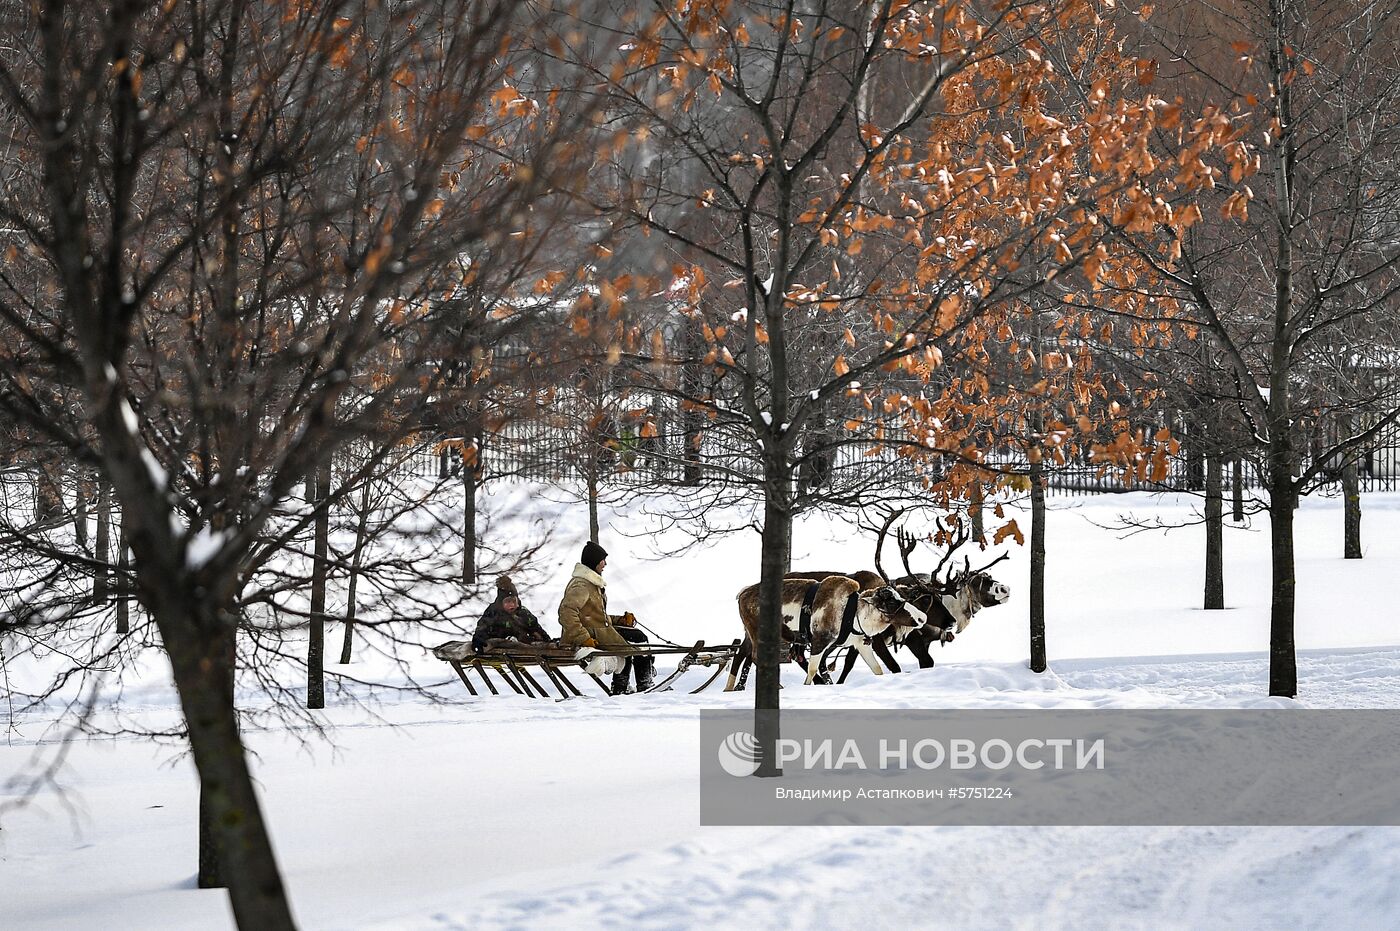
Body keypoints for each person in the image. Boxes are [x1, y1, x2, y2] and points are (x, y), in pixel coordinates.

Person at [557, 540, 654, 694]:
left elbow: (595, 616)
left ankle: (621, 687)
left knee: (628, 640)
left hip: (597, 631)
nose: (605, 564)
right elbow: (566, 612)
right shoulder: (581, 585)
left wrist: (620, 620)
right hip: (589, 635)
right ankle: (645, 684)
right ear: (594, 562)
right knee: (638, 638)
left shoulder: (592, 583)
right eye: (603, 560)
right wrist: (583, 638)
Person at [471, 575, 549, 652]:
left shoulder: (523, 613)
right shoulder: (494, 611)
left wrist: (547, 640)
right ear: (501, 603)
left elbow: (536, 629)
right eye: (508, 602)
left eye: (514, 601)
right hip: (498, 644)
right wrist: (478, 638)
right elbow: (483, 626)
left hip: (521, 645)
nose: (512, 605)